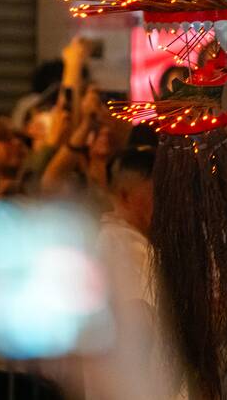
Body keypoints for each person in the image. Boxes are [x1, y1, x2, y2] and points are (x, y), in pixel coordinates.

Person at [85, 145, 193, 400]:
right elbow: (138, 321)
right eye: (158, 194)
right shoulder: (124, 244)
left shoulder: (112, 240)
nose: (170, 205)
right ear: (125, 196)